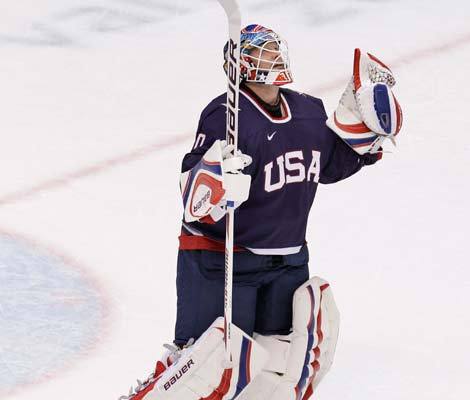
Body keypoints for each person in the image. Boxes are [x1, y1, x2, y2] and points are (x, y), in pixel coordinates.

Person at [120, 23, 402, 400]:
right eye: (259, 51)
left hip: (287, 261)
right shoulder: (225, 115)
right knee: (204, 369)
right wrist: (216, 177)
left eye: (273, 49)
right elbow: (194, 199)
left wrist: (363, 136)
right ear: (240, 65)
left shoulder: (307, 111)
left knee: (278, 369)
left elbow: (328, 166)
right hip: (222, 260)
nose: (271, 56)